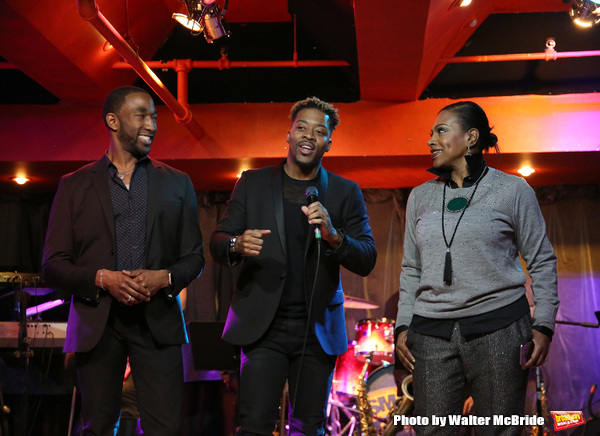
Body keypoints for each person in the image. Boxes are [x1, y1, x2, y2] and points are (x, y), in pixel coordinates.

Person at [41, 86, 205, 436]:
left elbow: (194, 258)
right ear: (113, 121)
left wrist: (164, 277)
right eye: (141, 115)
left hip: (157, 321)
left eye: (154, 117)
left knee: (164, 428)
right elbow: (53, 264)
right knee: (97, 426)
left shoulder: (178, 184)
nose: (152, 124)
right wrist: (103, 278)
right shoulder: (75, 185)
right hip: (98, 324)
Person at [210, 97, 377, 436]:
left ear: (328, 143)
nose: (308, 135)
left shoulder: (346, 192)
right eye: (302, 127)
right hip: (263, 330)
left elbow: (367, 257)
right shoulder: (252, 182)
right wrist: (237, 244)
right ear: (288, 134)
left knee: (309, 427)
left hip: (316, 332)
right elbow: (217, 241)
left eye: (319, 131)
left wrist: (334, 236)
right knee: (254, 425)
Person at [394, 101, 559, 436]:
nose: (430, 140)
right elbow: (412, 267)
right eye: (431, 133)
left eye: (440, 130)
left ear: (470, 137)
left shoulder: (512, 190)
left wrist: (544, 323)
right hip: (431, 333)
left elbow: (541, 259)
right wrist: (402, 326)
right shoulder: (419, 197)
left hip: (499, 328)